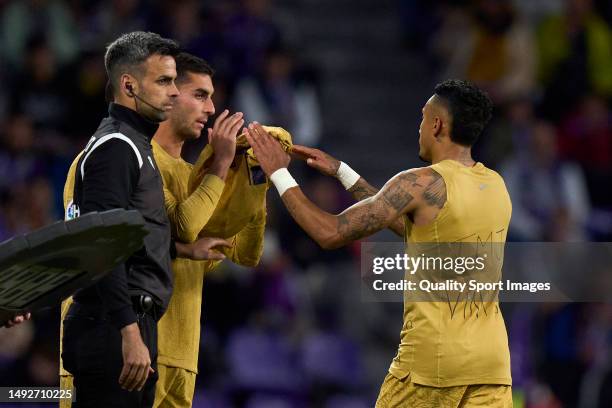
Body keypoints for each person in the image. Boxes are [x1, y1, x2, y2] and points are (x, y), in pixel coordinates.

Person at [246, 79, 513, 407]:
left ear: (437, 124)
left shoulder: (420, 182)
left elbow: (329, 232)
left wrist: (278, 173)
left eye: (423, 118)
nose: (419, 127)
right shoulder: (495, 185)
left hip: (433, 363)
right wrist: (343, 172)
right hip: (491, 365)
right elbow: (414, 228)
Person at [59, 31, 179, 408]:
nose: (174, 91)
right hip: (113, 326)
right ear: (129, 85)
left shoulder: (131, 144)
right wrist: (129, 329)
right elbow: (102, 243)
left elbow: (127, 234)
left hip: (119, 323)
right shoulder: (117, 147)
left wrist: (180, 247)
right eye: (164, 80)